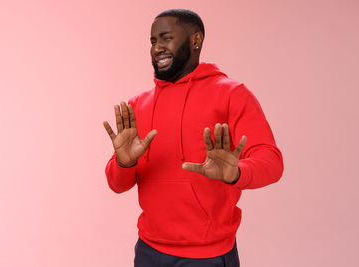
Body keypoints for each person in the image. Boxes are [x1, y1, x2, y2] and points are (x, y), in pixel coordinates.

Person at [103, 9, 283, 267]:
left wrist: (236, 173)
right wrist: (124, 163)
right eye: (153, 41)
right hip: (148, 251)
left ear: (195, 40)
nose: (157, 49)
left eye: (166, 38)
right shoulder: (137, 105)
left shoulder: (232, 94)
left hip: (208, 256)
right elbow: (117, 185)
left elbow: (272, 162)